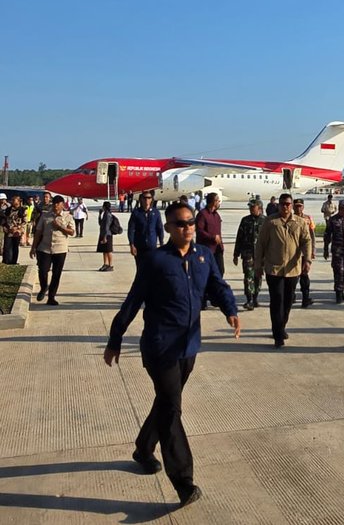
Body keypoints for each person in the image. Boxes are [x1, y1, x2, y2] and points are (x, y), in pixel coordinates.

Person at [104, 201, 240, 507]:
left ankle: (143, 448)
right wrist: (115, 338)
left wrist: (230, 310)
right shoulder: (155, 261)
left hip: (188, 347)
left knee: (166, 403)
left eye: (191, 222)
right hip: (159, 348)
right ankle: (183, 481)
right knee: (172, 411)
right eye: (180, 223)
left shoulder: (204, 256)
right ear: (167, 228)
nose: (187, 227)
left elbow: (218, 287)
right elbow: (132, 301)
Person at [255, 193, 312, 348]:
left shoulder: (300, 222)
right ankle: (277, 334)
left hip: (293, 270)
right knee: (277, 300)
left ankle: (282, 326)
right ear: (278, 205)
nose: (285, 207)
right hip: (274, 268)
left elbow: (306, 241)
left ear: (291, 205)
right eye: (282, 204)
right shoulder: (270, 222)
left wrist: (307, 260)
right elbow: (260, 244)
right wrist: (258, 265)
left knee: (288, 301)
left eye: (288, 204)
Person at [30, 194, 75, 304]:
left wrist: (60, 227)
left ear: (62, 205)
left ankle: (51, 297)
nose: (55, 206)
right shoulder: (45, 216)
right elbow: (38, 232)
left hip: (60, 249)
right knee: (43, 270)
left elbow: (72, 232)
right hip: (44, 248)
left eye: (58, 204)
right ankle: (44, 287)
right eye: (54, 203)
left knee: (56, 274)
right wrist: (33, 247)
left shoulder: (68, 216)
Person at [233, 198, 266, 310]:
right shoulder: (245, 220)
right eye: (250, 207)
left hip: (261, 255)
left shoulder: (265, 221)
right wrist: (235, 254)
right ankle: (249, 299)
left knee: (258, 277)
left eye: (253, 206)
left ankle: (255, 297)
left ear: (259, 208)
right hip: (248, 254)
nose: (251, 209)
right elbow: (239, 237)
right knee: (248, 277)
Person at [195, 193, 224, 309]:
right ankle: (203, 298)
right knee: (205, 274)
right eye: (217, 200)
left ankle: (213, 296)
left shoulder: (216, 215)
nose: (218, 203)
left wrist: (221, 244)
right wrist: (212, 237)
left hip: (217, 249)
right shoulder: (202, 214)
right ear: (212, 201)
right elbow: (199, 230)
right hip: (205, 249)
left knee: (219, 272)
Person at [128, 191, 164, 266]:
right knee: (140, 268)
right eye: (144, 198)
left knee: (152, 268)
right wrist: (131, 244)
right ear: (141, 199)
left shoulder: (156, 212)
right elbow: (131, 229)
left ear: (151, 199)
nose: (146, 200)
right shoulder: (136, 213)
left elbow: (159, 228)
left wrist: (161, 243)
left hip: (152, 245)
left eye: (149, 198)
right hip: (139, 246)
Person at [293, 198, 316, 307]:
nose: (298, 208)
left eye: (300, 206)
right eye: (296, 206)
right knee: (292, 277)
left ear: (303, 207)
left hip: (304, 252)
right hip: (292, 253)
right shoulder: (290, 218)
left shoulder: (308, 219)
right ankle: (291, 296)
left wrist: (313, 250)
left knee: (304, 275)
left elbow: (312, 235)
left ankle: (305, 298)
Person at [1, 194, 27, 264]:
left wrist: (19, 229)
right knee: (7, 247)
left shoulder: (23, 210)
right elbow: (4, 220)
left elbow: (25, 222)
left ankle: (13, 261)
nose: (14, 204)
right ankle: (6, 261)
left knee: (15, 247)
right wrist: (5, 227)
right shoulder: (8, 210)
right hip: (9, 231)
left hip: (17, 232)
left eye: (15, 203)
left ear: (19, 202)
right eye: (13, 202)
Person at [97, 201, 114, 271]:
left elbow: (107, 226)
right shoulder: (104, 214)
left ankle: (110, 265)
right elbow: (100, 223)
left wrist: (105, 237)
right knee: (104, 250)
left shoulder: (108, 215)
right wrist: (99, 215)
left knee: (108, 250)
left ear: (104, 207)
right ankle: (105, 264)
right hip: (103, 234)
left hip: (107, 235)